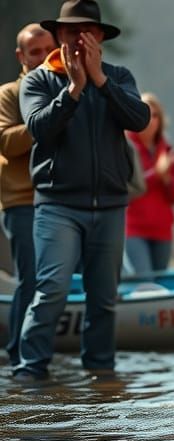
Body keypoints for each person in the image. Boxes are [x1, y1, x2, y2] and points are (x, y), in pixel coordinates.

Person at [15, 0, 150, 382]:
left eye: (87, 31)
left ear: (100, 38)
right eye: (71, 31)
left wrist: (100, 82)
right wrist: (74, 88)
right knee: (53, 288)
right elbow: (39, 128)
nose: (79, 38)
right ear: (58, 36)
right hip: (57, 205)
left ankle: (101, 375)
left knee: (104, 301)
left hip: (109, 205)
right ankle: (30, 373)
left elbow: (139, 119)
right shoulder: (39, 80)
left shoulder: (118, 76)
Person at [0, 24, 55, 366]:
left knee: (52, 282)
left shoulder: (64, 87)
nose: (43, 58)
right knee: (31, 278)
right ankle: (20, 355)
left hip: (61, 200)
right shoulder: (8, 93)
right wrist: (50, 116)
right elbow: (6, 141)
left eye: (48, 50)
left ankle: (42, 356)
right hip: (22, 200)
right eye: (35, 52)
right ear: (21, 56)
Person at [124, 92, 174, 280]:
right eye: (145, 113)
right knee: (145, 282)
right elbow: (126, 189)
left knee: (161, 284)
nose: (150, 120)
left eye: (155, 115)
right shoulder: (125, 145)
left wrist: (166, 178)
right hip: (133, 229)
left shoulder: (168, 149)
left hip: (162, 230)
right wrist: (155, 174)